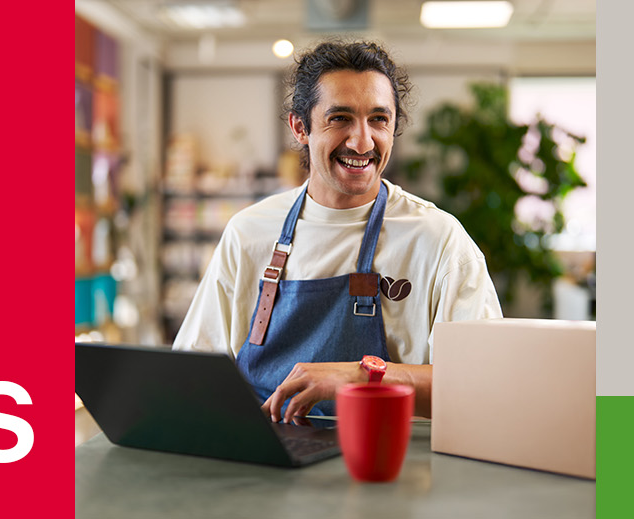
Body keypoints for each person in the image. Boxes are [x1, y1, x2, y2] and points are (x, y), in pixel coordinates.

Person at [173, 40, 502, 425]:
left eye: (379, 119)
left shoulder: (439, 241)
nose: (362, 141)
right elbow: (191, 374)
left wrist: (365, 376)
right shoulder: (248, 234)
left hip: (394, 471)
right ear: (300, 127)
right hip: (266, 472)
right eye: (340, 118)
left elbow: (484, 385)